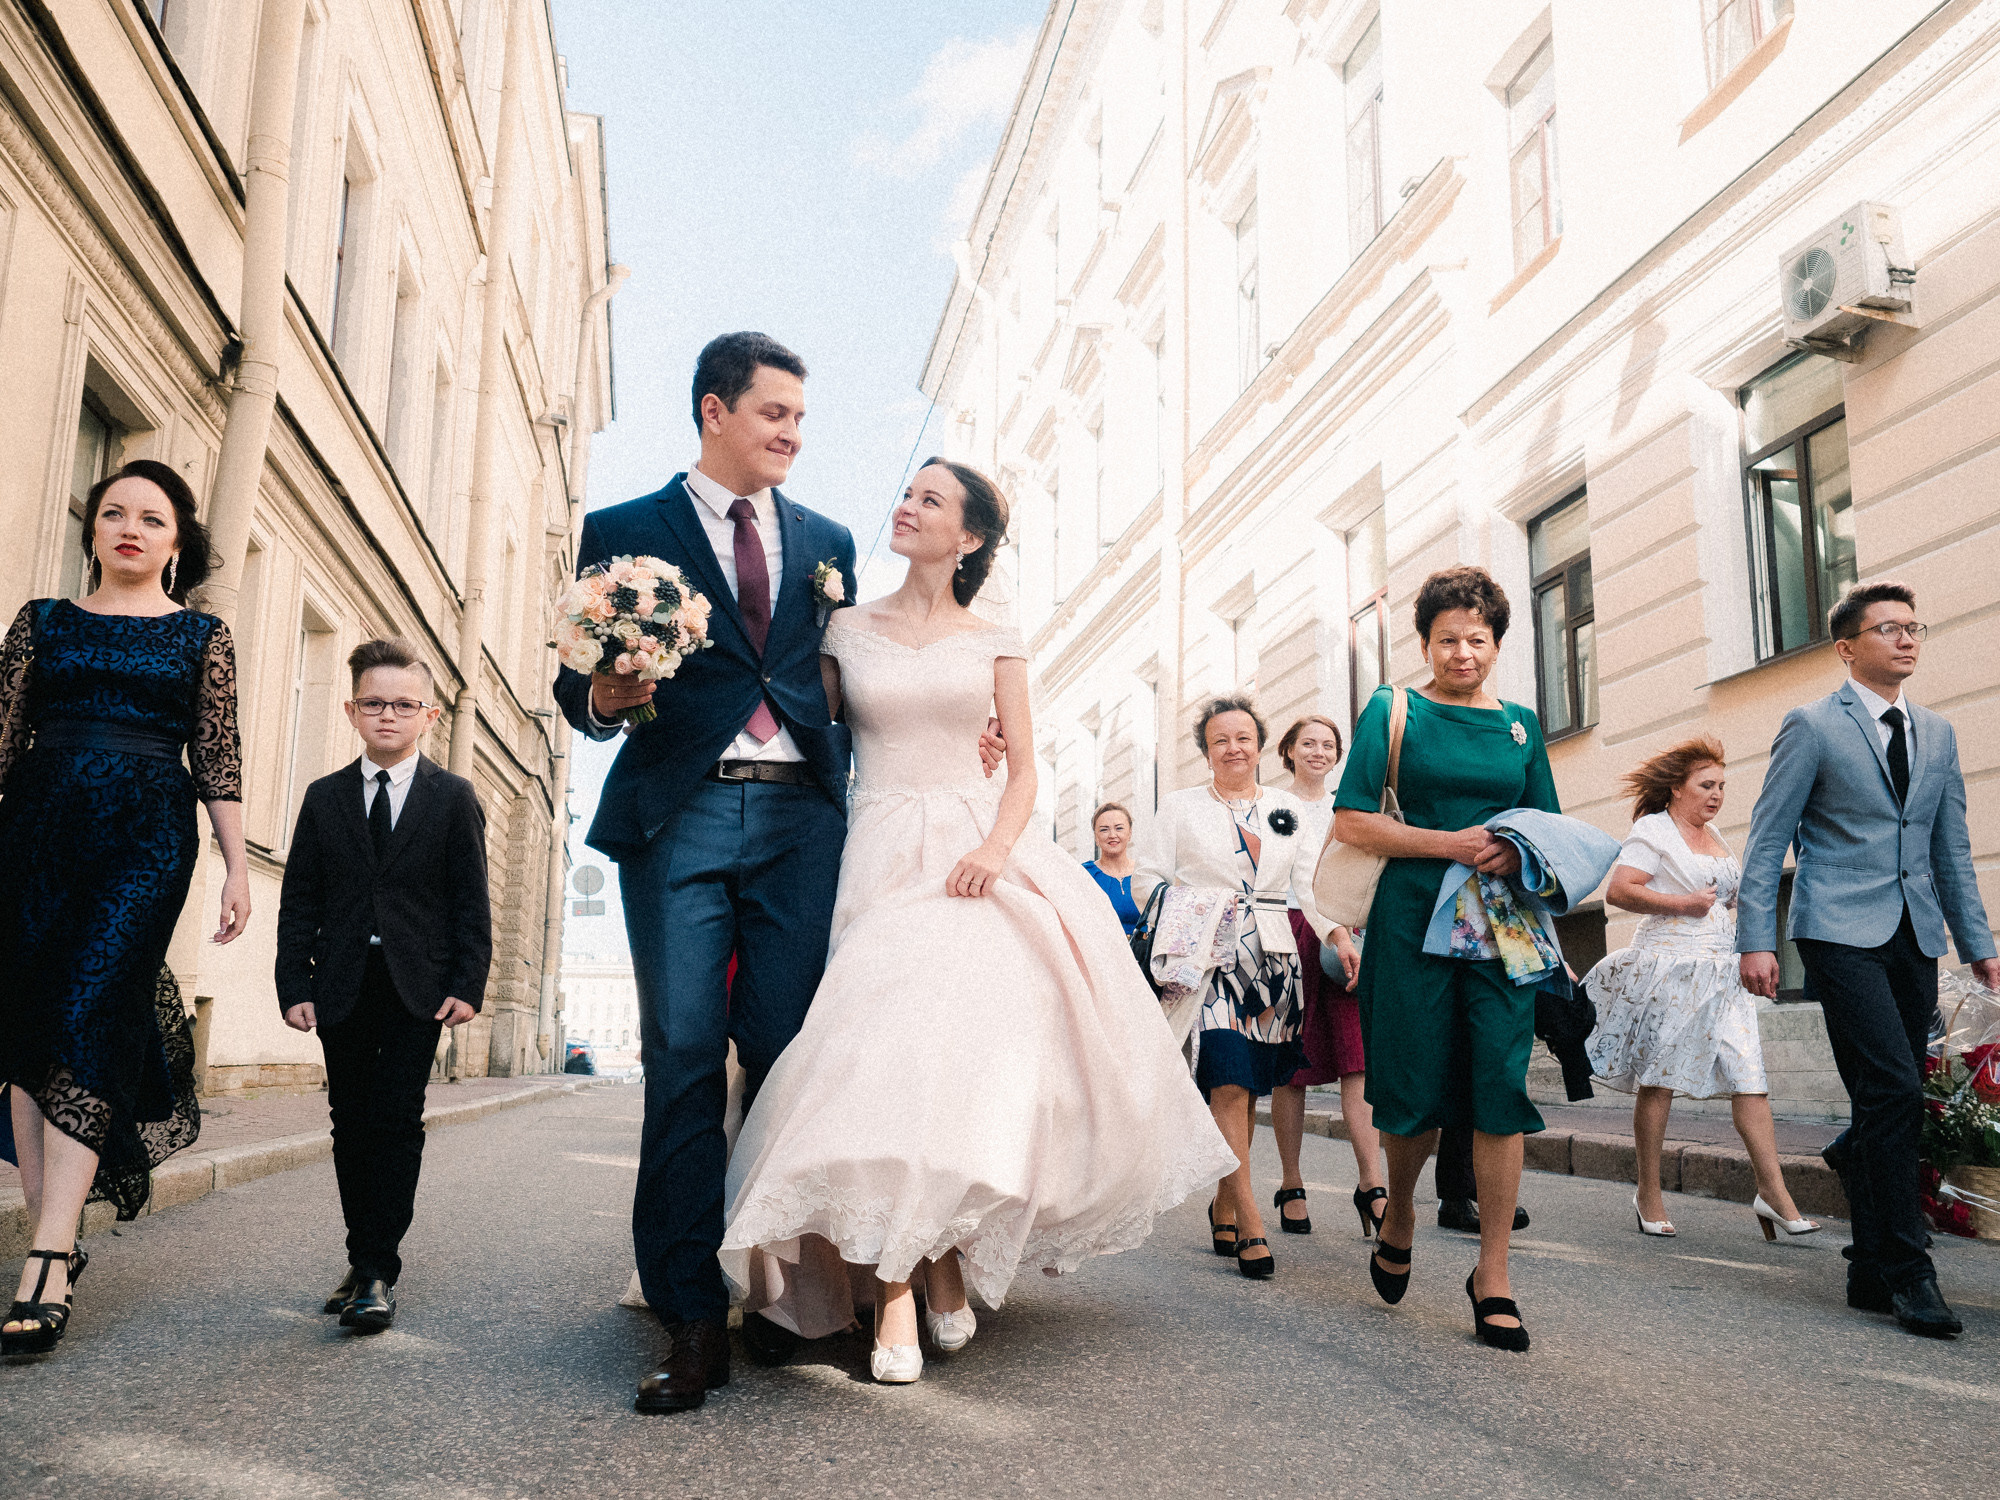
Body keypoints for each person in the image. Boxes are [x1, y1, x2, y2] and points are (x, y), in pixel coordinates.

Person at [553, 335, 999, 1412]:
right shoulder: (620, 535)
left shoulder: (824, 541)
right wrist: (608, 697)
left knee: (795, 1056)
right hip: (683, 810)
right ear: (715, 411)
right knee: (684, 1058)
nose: (794, 435)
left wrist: (959, 735)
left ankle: (793, 1291)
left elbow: (849, 680)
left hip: (804, 821)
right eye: (775, 416)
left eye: (801, 418)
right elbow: (577, 691)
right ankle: (691, 1318)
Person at [720, 460, 1232, 1383]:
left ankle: (927, 1272)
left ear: (968, 538)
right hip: (876, 852)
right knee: (879, 1062)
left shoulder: (997, 633)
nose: (906, 506)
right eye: (905, 492)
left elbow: (1026, 768)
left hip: (973, 854)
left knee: (955, 1064)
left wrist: (995, 849)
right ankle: (909, 1281)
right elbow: (804, 727)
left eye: (930, 500)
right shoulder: (844, 626)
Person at [0, 460, 247, 1357]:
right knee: (31, 1026)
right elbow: (2, 739)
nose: (130, 528)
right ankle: (50, 1243)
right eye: (113, 513)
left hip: (145, 836)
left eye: (151, 517)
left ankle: (50, 1252)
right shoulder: (42, 623)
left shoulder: (199, 637)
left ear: (177, 541)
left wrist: (236, 867)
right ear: (93, 528)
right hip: (35, 830)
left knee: (92, 1012)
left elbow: (217, 759)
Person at [1738, 581, 1998, 1340]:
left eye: (1915, 627)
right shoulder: (1813, 725)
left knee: (1887, 1096)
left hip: (1914, 931)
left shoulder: (1940, 734)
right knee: (1891, 1083)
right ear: (1849, 647)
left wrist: (1977, 944)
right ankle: (1911, 1272)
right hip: (1836, 929)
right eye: (1889, 629)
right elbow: (1766, 838)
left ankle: (1866, 1261)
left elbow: (1950, 848)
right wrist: (1757, 938)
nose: (1907, 640)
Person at [1332, 566, 1558, 1352]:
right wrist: (1450, 844)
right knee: (1414, 1082)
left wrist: (1515, 851)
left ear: (1498, 643)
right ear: (1425, 642)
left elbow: (1547, 828)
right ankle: (1398, 1208)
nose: (1464, 652)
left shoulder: (1522, 727)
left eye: (1479, 639)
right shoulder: (1397, 709)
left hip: (1501, 925)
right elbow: (1352, 821)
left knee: (1499, 1082)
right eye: (1448, 639)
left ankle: (1492, 1272)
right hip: (1409, 919)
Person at [276, 638, 492, 1334]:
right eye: (374, 704)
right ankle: (363, 1254)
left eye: (403, 705)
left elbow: (471, 901)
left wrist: (468, 982)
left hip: (416, 986)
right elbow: (301, 898)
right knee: (350, 1123)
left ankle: (376, 1270)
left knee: (395, 1121)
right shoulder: (325, 797)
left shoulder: (452, 798)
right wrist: (293, 982)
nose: (388, 716)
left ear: (429, 715)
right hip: (340, 982)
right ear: (352, 710)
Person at [1134, 697, 1350, 1280]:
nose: (1233, 747)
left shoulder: (1286, 808)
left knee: (1250, 1083)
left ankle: (1225, 1199)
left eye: (1243, 737)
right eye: (1220, 739)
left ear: (1259, 745)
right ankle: (1251, 1217)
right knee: (1227, 1076)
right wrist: (1191, 908)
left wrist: (1335, 933)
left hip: (1274, 958)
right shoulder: (1179, 808)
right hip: (1209, 958)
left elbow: (1307, 880)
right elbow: (1146, 877)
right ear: (1206, 751)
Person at [1584, 737, 1817, 1240]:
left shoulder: (1715, 836)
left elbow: (1729, 900)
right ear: (1675, 789)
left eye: (1721, 786)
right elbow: (1620, 890)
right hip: (1670, 968)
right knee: (1659, 1079)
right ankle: (1648, 1192)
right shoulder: (1654, 830)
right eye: (1706, 785)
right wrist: (1682, 903)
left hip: (1721, 971)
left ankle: (1773, 1193)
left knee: (1749, 1075)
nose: (1716, 795)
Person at [1268, 716, 1378, 1238]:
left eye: (1328, 745)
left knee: (1357, 1059)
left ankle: (1372, 1185)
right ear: (1288, 750)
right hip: (1289, 930)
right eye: (1307, 743)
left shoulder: (1349, 805)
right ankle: (1291, 1182)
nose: (1318, 752)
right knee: (1294, 1063)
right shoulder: (1272, 805)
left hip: (1347, 936)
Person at [1083, 801, 1142, 935]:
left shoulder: (1144, 873)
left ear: (1130, 833)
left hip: (1141, 954)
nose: (1112, 835)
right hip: (1099, 953)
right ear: (1096, 837)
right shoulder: (1084, 874)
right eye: (1104, 829)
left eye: (1119, 828)